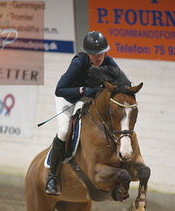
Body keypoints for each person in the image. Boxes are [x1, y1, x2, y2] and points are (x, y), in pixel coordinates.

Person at [45, 31, 124, 196]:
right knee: (64, 130)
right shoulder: (79, 63)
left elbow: (124, 82)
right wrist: (82, 89)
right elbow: (60, 90)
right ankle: (52, 177)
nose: (98, 57)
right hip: (69, 97)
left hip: (89, 98)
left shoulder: (109, 62)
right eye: (94, 54)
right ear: (88, 54)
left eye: (101, 53)